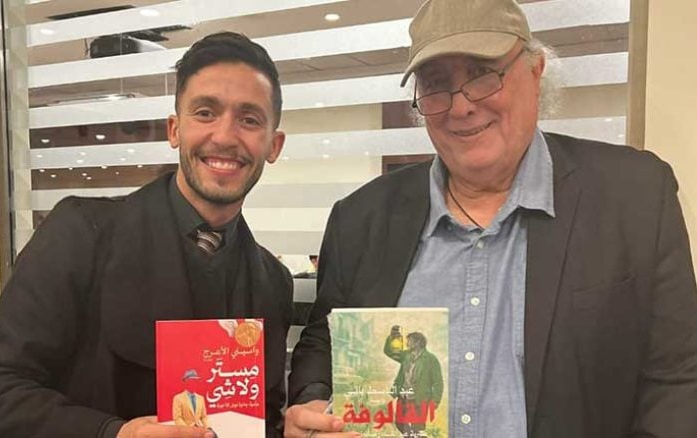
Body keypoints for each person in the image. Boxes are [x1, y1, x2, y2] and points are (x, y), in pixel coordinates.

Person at [284, 0, 697, 437]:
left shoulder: (633, 196)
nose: (461, 106)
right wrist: (312, 401)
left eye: (482, 74)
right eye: (436, 84)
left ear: (535, 72)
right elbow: (323, 342)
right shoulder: (360, 219)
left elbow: (677, 378)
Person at [0, 32, 292, 438]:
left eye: (249, 119)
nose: (225, 136)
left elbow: (264, 418)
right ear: (174, 130)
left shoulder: (272, 281)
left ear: (273, 145)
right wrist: (114, 434)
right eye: (205, 113)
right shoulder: (82, 234)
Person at [383, 330, 442, 437]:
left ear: (418, 342)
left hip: (420, 398)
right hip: (403, 396)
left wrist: (436, 400)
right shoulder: (405, 355)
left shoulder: (431, 359)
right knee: (400, 423)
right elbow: (389, 352)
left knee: (418, 427)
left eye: (409, 341)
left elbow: (438, 382)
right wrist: (392, 337)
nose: (407, 344)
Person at [172, 369, 216, 437]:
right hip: (185, 432)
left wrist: (208, 427)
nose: (193, 383)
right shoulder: (178, 398)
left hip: (199, 430)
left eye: (195, 381)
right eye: (191, 381)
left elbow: (203, 417)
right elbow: (177, 418)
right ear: (186, 382)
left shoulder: (200, 398)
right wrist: (189, 430)